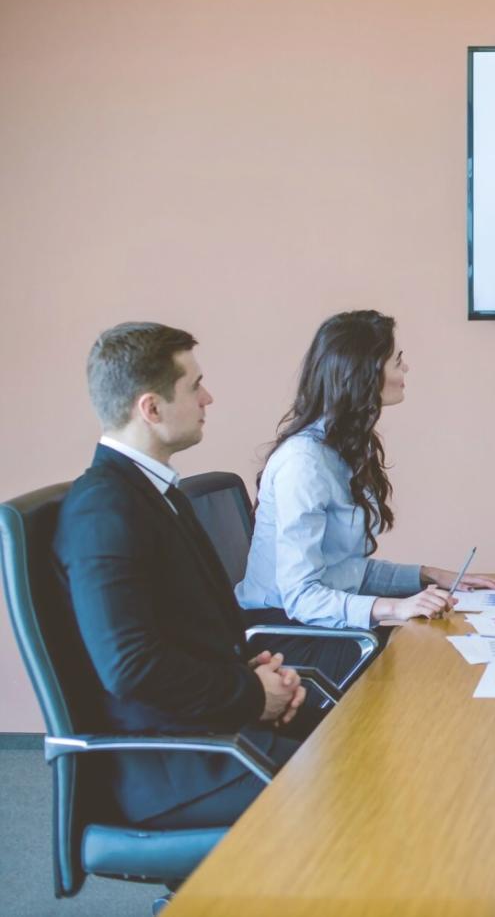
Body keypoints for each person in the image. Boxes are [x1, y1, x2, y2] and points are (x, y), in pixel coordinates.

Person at [53, 322, 308, 828]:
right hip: (168, 766)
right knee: (351, 792)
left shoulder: (153, 492)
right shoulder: (103, 509)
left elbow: (178, 629)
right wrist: (252, 695)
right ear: (151, 408)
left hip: (203, 735)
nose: (207, 397)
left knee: (357, 747)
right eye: (194, 386)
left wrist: (253, 678)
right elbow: (131, 667)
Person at [236, 310, 495, 682]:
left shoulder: (341, 448)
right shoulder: (304, 464)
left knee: (447, 639)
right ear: (365, 372)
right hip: (291, 638)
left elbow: (346, 569)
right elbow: (302, 597)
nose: (406, 368)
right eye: (397, 359)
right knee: (434, 661)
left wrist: (427, 576)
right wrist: (396, 607)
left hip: (326, 625)